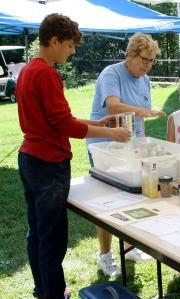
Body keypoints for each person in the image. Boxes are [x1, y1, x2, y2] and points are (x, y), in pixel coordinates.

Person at [16, 13, 130, 299]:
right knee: (52, 238)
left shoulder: (28, 70)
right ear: (53, 41)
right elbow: (64, 126)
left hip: (30, 158)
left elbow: (55, 119)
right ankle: (53, 293)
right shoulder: (46, 73)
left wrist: (97, 124)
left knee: (37, 231)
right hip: (48, 164)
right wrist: (111, 134)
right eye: (69, 45)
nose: (73, 51)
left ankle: (43, 289)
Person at [87, 33, 165, 276]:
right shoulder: (111, 73)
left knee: (133, 198)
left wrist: (143, 144)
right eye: (144, 59)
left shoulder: (145, 79)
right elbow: (113, 105)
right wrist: (144, 110)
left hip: (132, 147)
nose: (147, 65)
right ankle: (106, 255)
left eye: (152, 61)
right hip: (105, 148)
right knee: (106, 203)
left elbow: (142, 120)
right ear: (130, 55)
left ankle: (129, 247)